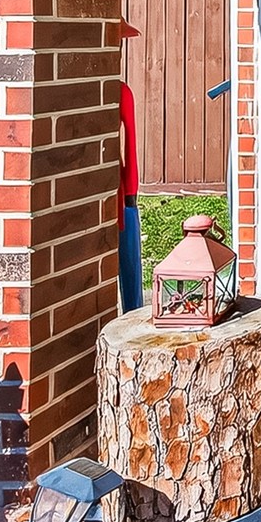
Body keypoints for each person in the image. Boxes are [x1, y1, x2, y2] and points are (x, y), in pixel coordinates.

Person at [118, 21, 144, 313]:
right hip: (117, 188)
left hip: (121, 191)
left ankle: (132, 313)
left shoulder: (122, 92)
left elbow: (130, 145)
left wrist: (130, 196)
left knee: (130, 267)